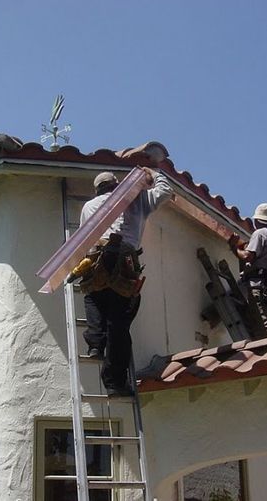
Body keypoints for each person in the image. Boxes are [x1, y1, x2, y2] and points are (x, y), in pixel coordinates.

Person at [79, 168, 172, 396]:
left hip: (98, 255)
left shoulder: (89, 206)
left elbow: (84, 238)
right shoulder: (136, 197)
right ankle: (115, 383)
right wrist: (156, 173)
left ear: (97, 190)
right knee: (119, 321)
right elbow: (165, 191)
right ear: (117, 184)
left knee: (94, 295)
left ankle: (95, 344)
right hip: (125, 257)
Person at [229, 202, 267, 337]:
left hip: (258, 286)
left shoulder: (260, 234)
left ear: (257, 219)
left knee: (265, 325)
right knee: (260, 322)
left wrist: (234, 247)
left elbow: (248, 257)